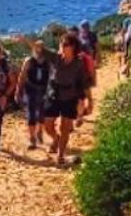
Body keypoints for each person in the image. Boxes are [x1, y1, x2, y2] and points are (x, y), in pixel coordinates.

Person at [44, 34, 96, 166]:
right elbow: (40, 49)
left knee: (65, 127)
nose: (62, 45)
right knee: (48, 125)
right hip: (54, 95)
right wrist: (25, 40)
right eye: (61, 43)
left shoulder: (78, 64)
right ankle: (56, 139)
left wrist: (88, 101)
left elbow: (84, 84)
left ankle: (60, 156)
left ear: (72, 47)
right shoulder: (56, 58)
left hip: (70, 97)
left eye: (65, 44)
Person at [18, 39, 52, 150]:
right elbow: (22, 76)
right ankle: (32, 139)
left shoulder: (48, 61)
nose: (39, 50)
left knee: (42, 114)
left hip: (43, 90)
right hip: (30, 90)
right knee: (31, 114)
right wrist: (18, 91)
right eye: (37, 47)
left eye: (41, 48)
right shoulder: (29, 61)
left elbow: (52, 77)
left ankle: (39, 132)